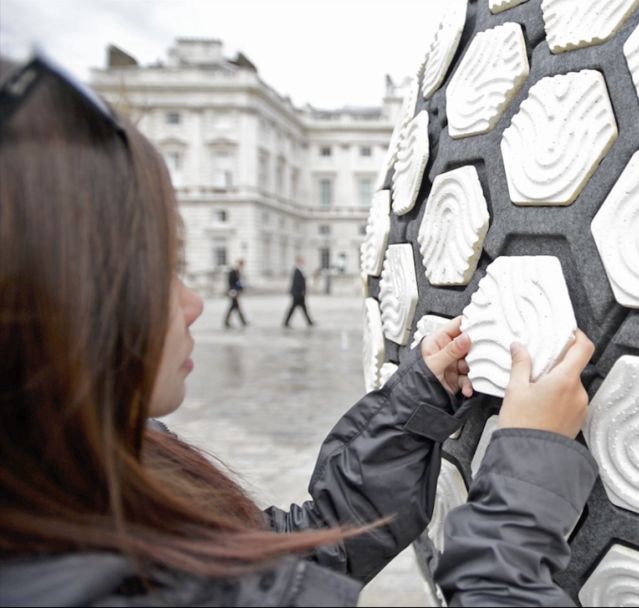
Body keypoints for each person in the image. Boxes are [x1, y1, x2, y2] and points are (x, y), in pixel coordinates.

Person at [0, 53, 598, 606]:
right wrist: (524, 482)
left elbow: (309, 551)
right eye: (158, 267)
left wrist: (416, 400)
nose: (192, 303)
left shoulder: (97, 489)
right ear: (52, 303)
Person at [284, 256, 315, 327]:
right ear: (298, 262)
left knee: (303, 308)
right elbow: (297, 283)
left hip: (299, 293)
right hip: (297, 294)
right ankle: (286, 322)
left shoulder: (300, 270)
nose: (303, 263)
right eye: (302, 261)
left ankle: (309, 322)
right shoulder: (296, 271)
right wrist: (302, 291)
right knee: (293, 308)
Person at [224, 259, 248, 328]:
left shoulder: (238, 272)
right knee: (235, 307)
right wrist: (232, 290)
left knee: (233, 307)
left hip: (236, 292)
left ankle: (228, 321)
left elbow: (239, 282)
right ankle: (242, 321)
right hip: (233, 292)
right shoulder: (233, 271)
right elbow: (230, 282)